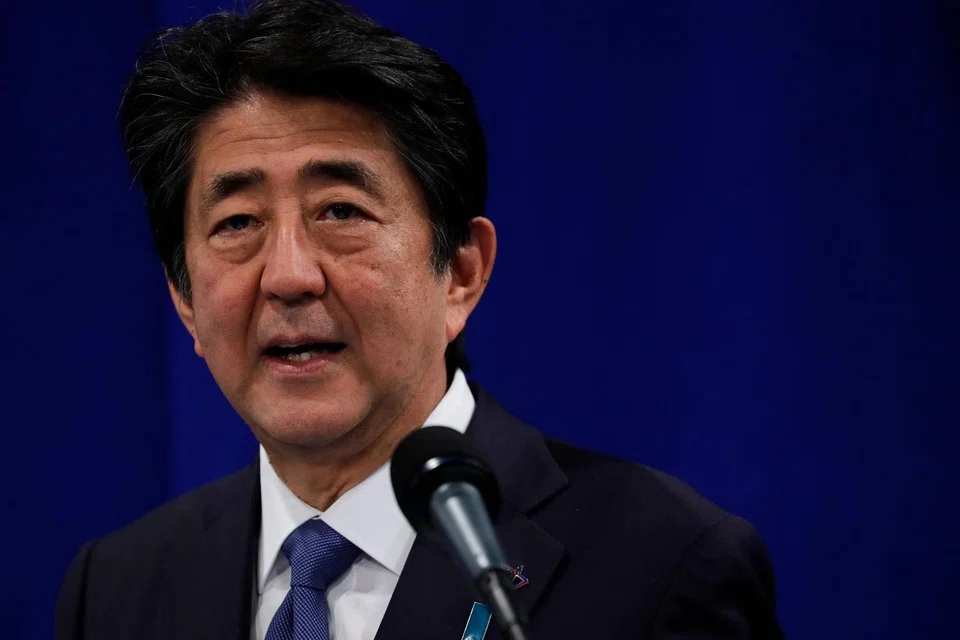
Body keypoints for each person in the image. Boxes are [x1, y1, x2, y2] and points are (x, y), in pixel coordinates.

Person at [56, 1, 785, 638]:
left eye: (340, 212)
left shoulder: (660, 565)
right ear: (185, 299)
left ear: (461, 272)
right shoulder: (117, 589)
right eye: (238, 222)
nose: (288, 276)